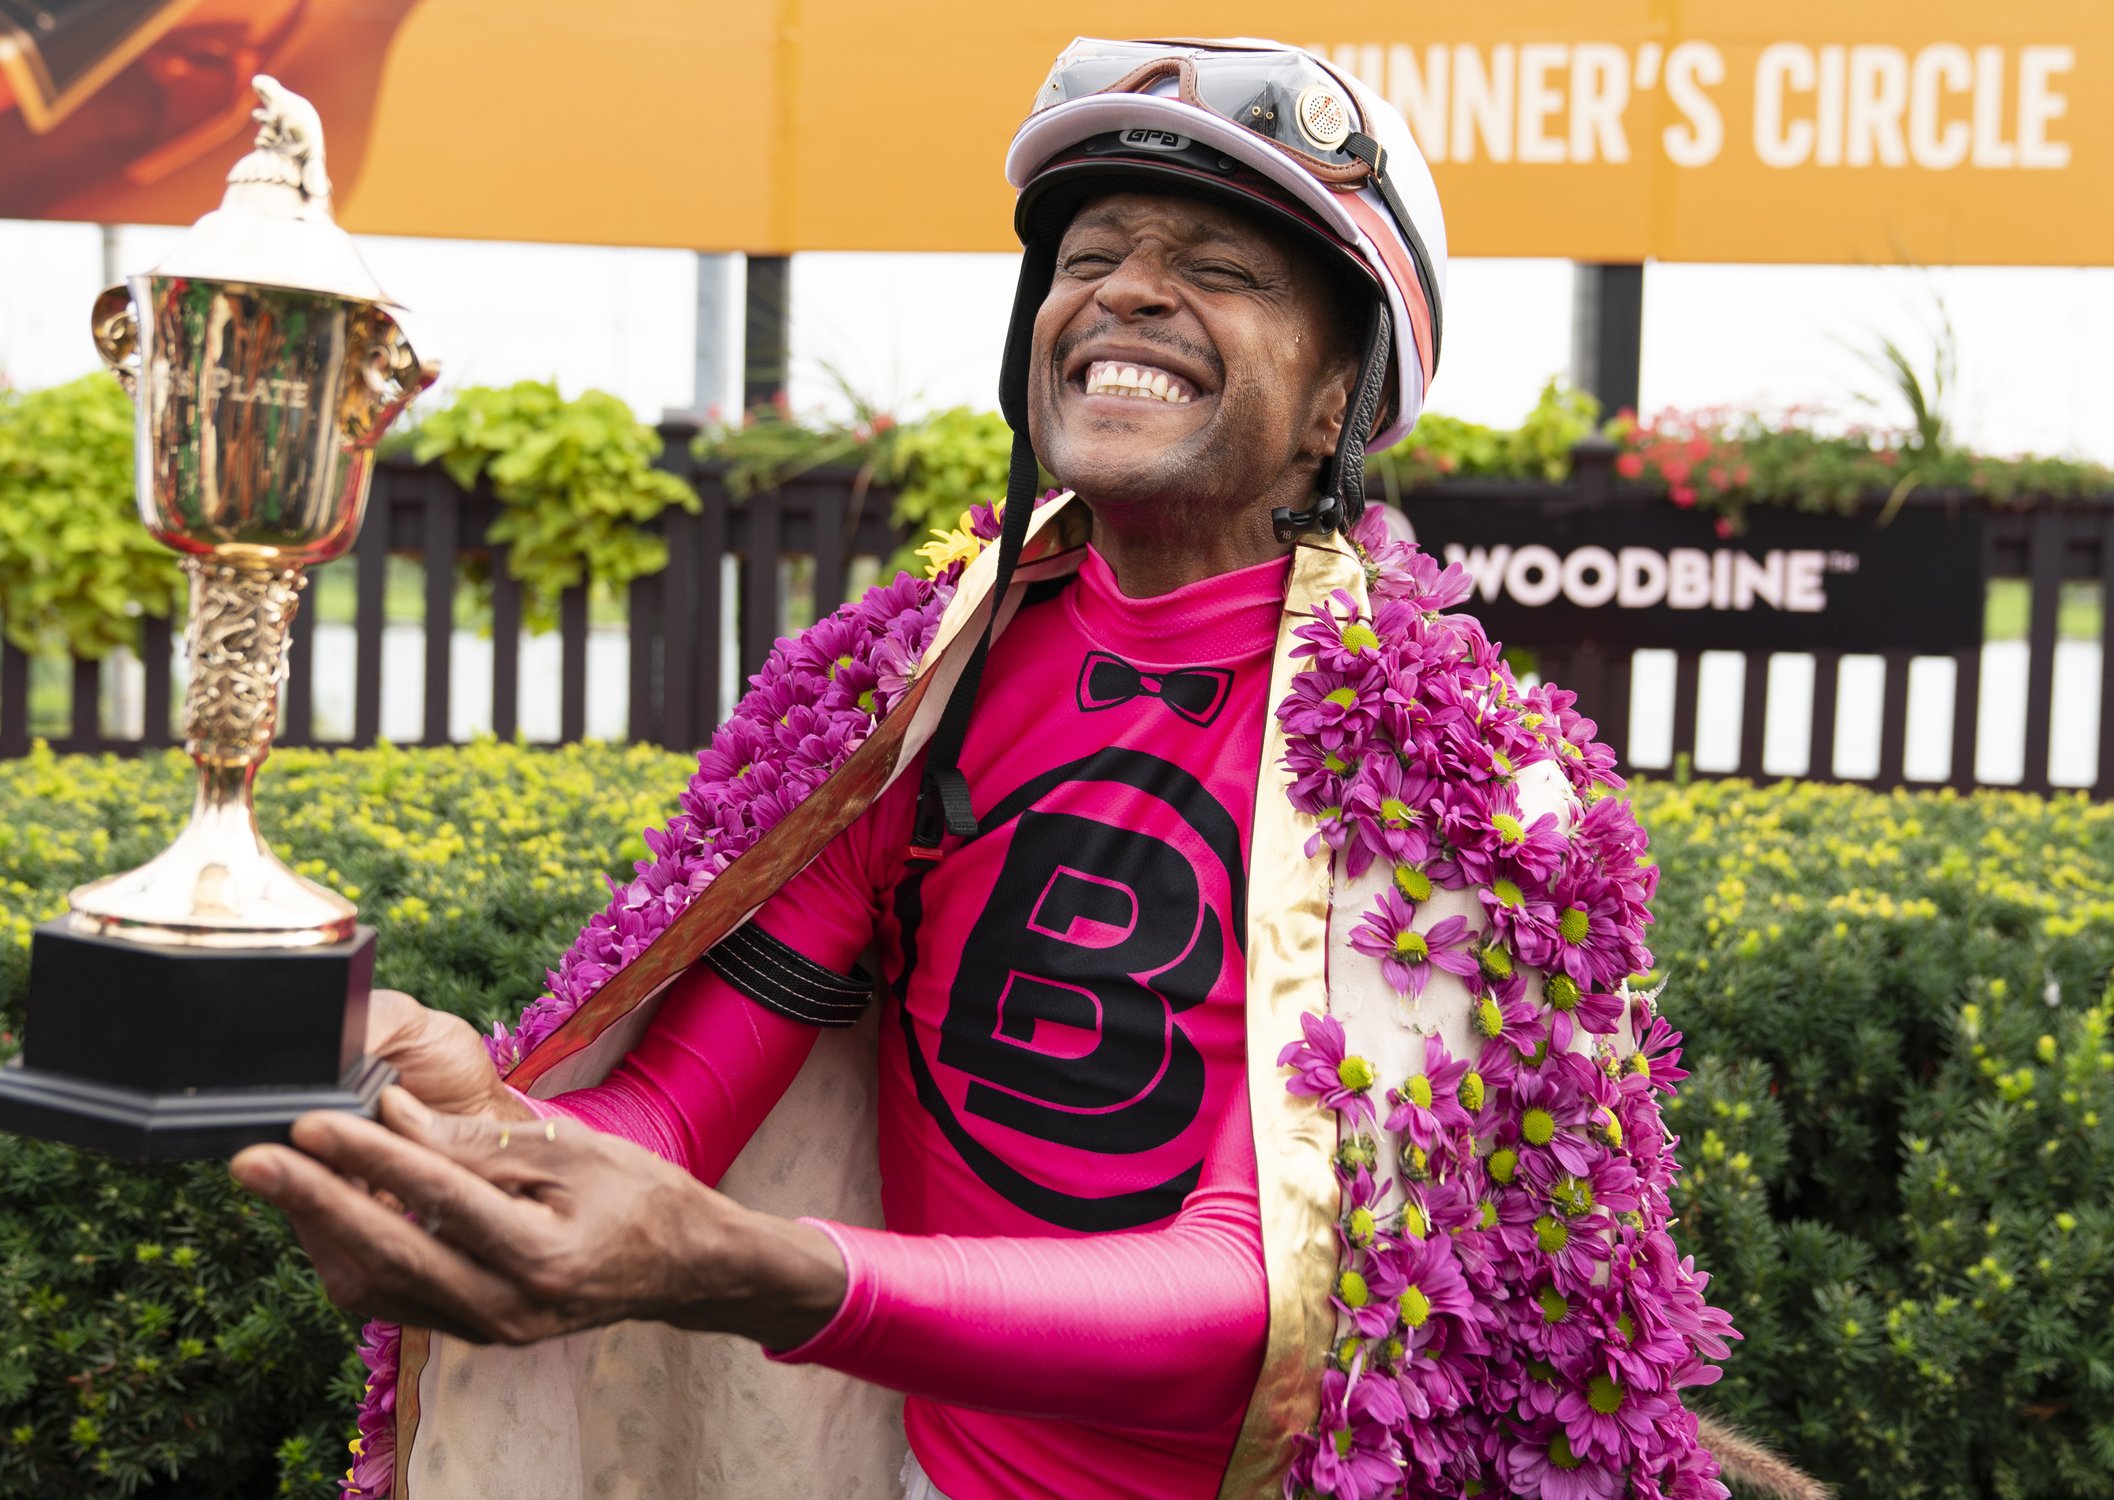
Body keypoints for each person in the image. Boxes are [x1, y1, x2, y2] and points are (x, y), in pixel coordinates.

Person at [233, 37, 1752, 1500]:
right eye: (1088, 257)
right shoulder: (906, 684)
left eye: (1219, 272)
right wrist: (489, 1134)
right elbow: (676, 1121)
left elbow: (1278, 1294)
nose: (1130, 294)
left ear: (1335, 410)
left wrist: (756, 1270)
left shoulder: (1456, 774)